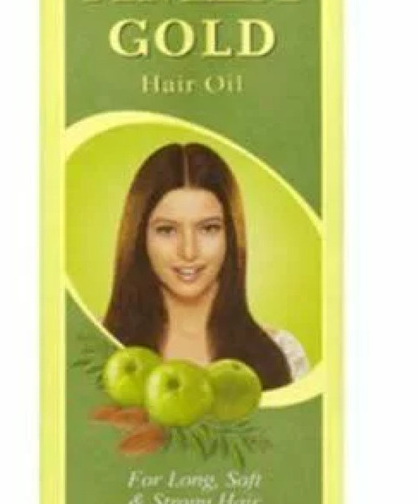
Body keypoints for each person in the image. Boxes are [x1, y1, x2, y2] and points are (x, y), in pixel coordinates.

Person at [103, 142, 310, 389]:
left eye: (208, 228)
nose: (189, 251)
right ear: (139, 237)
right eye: (167, 230)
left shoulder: (282, 355)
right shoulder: (94, 344)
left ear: (230, 235)